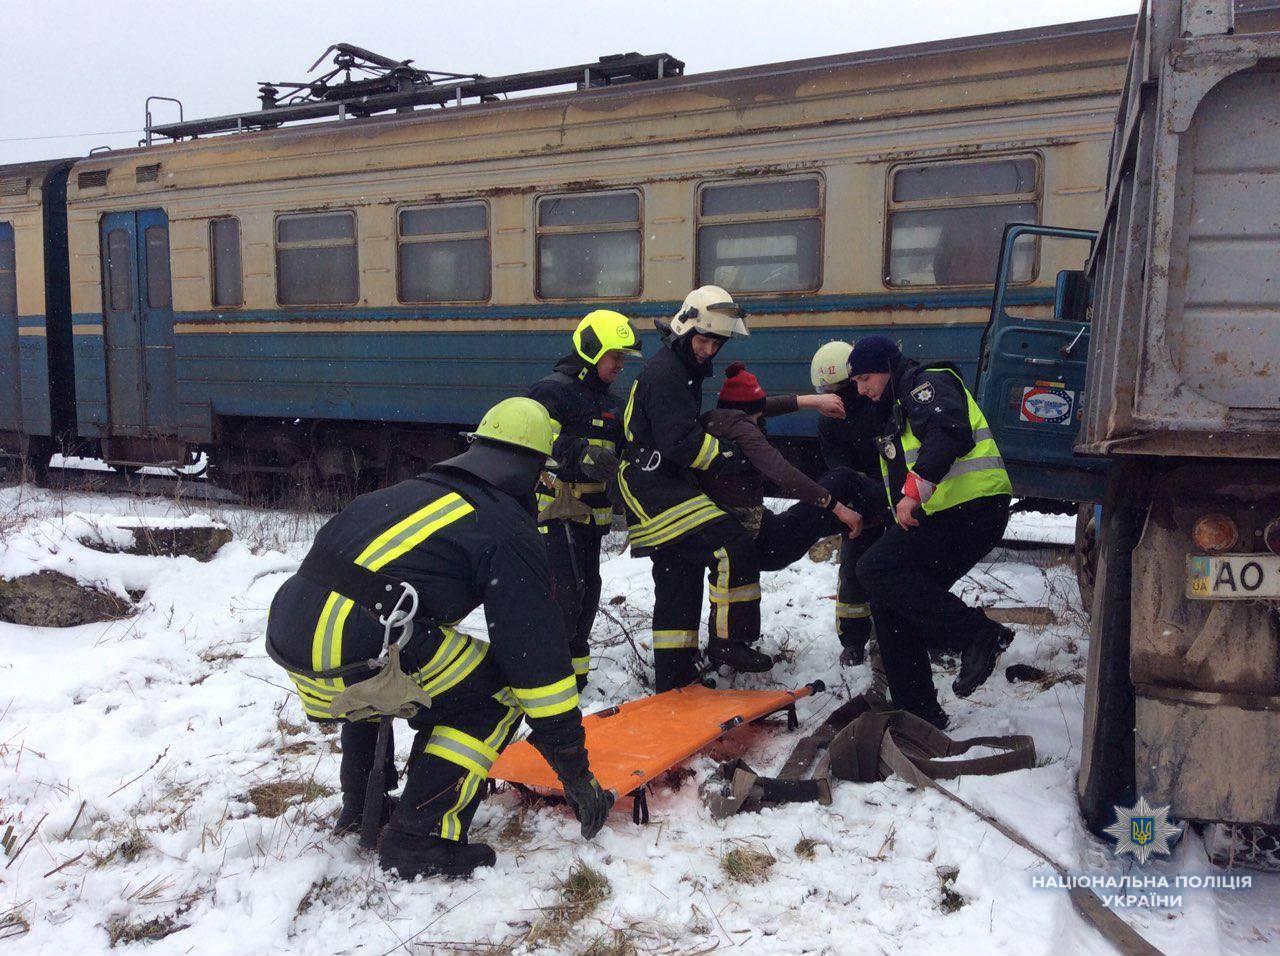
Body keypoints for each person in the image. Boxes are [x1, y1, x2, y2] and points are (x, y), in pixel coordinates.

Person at [265, 398, 612, 880]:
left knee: (385, 660)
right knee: (497, 693)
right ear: (535, 472)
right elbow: (535, 661)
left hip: (295, 638)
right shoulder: (506, 528)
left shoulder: (413, 492)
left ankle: (362, 806)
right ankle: (420, 838)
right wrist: (575, 772)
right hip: (355, 645)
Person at [848, 335, 1014, 729]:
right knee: (889, 597)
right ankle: (918, 712)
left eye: (866, 379)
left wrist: (913, 492)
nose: (862, 389)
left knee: (874, 568)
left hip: (973, 507)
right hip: (950, 513)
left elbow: (949, 432)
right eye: (856, 383)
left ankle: (977, 635)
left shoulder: (925, 384)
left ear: (887, 368)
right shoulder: (896, 406)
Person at [616, 285, 763, 692]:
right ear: (685, 329)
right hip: (651, 485)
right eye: (703, 340)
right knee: (731, 543)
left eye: (717, 343)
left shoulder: (680, 367)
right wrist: (729, 456)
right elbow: (680, 442)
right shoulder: (667, 374)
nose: (709, 350)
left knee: (678, 572)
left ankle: (674, 676)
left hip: (659, 480)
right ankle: (729, 641)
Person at [696, 361, 882, 618]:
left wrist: (811, 402)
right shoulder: (744, 430)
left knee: (836, 511)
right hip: (767, 543)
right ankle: (882, 513)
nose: (762, 420)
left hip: (743, 534)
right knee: (842, 480)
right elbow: (783, 472)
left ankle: (869, 519)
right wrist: (836, 506)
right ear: (750, 412)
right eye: (759, 415)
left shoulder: (715, 420)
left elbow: (763, 406)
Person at [526, 310, 640, 690]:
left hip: (593, 516)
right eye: (615, 356)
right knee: (564, 592)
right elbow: (533, 439)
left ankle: (575, 679)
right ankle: (549, 676)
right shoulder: (552, 392)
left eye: (623, 358)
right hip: (556, 511)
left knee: (588, 591)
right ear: (592, 349)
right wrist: (579, 452)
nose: (620, 365)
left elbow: (624, 451)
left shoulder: (613, 403)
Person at [810, 341, 889, 666]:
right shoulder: (830, 422)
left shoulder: (880, 407)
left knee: (879, 571)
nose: (834, 397)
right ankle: (854, 641)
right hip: (864, 506)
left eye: (838, 389)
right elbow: (840, 471)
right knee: (854, 572)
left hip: (892, 500)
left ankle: (885, 636)